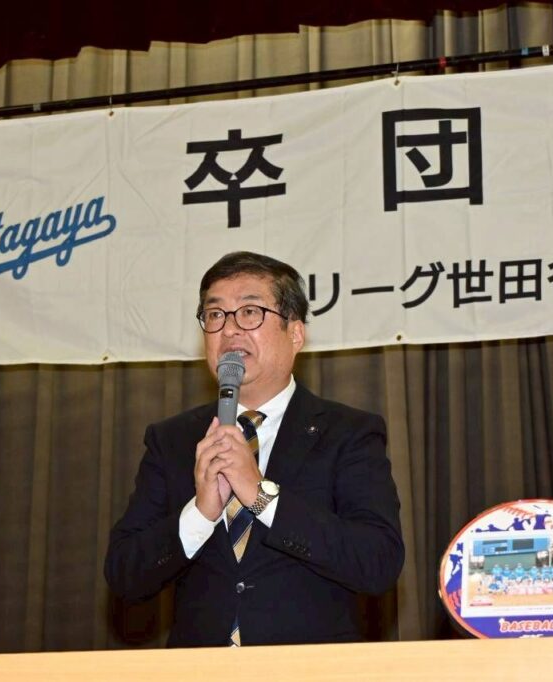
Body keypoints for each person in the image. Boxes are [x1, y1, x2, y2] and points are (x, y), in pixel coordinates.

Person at [104, 251, 404, 647]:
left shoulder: (348, 433)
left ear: (295, 333)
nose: (229, 330)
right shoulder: (173, 439)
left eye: (250, 312)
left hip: (308, 667)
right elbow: (125, 574)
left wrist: (261, 496)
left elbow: (378, 562)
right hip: (198, 668)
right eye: (215, 315)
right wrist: (200, 513)